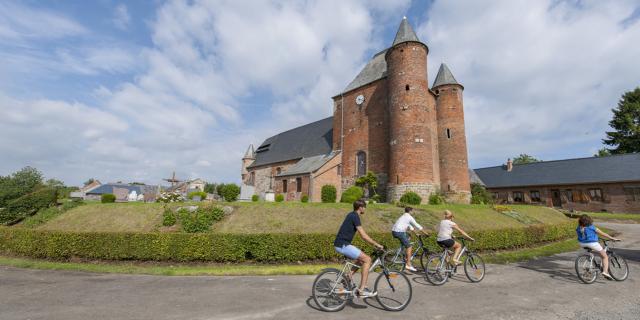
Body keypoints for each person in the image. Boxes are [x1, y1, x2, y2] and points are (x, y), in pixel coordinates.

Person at [334, 199, 384, 298]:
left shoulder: (352, 215)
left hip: (342, 244)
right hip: (343, 245)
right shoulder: (355, 216)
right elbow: (363, 235)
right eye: (364, 207)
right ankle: (361, 290)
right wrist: (376, 244)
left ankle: (347, 277)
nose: (365, 208)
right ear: (360, 207)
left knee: (361, 260)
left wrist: (372, 244)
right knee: (367, 259)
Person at [577, 214, 620, 280]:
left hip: (582, 243)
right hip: (591, 243)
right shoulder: (591, 227)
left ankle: (591, 259)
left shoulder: (579, 227)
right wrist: (612, 238)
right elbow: (603, 234)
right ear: (589, 220)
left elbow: (584, 234)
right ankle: (605, 272)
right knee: (604, 256)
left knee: (593, 251)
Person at [391, 206, 429, 272]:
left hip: (395, 231)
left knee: (408, 238)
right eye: (412, 211)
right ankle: (408, 264)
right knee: (409, 247)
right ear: (410, 211)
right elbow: (417, 225)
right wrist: (426, 233)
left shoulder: (403, 216)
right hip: (399, 232)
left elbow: (411, 227)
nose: (413, 212)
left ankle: (404, 257)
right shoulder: (409, 217)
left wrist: (416, 234)